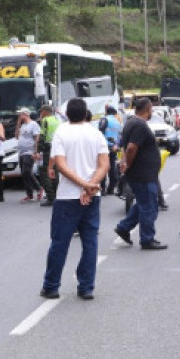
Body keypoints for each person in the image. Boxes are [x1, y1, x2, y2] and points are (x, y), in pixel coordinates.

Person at [40, 98, 110, 300]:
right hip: (91, 196)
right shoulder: (96, 133)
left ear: (67, 114)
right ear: (86, 113)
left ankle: (51, 286)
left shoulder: (62, 132)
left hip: (67, 197)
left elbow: (60, 165)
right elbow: (104, 165)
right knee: (90, 242)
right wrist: (90, 186)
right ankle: (86, 287)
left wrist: (83, 185)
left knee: (59, 242)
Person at [114, 98, 167, 250]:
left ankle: (124, 227)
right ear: (147, 109)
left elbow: (127, 147)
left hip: (142, 173)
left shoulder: (131, 122)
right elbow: (131, 147)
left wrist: (125, 163)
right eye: (151, 109)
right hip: (142, 174)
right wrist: (127, 164)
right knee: (149, 206)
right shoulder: (139, 125)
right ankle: (147, 239)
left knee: (143, 203)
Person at [15, 108, 43, 202]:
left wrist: (36, 151)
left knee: (26, 172)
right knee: (24, 174)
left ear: (25, 114)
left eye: (20, 114)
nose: (19, 116)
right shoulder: (22, 125)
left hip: (29, 151)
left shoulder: (33, 124)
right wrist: (18, 124)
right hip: (21, 152)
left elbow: (37, 138)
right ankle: (29, 194)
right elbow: (16, 136)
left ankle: (39, 188)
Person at [37, 104, 61, 206]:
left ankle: (51, 197)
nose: (41, 114)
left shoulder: (45, 121)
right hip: (58, 148)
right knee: (54, 171)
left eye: (41, 112)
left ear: (45, 111)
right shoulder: (57, 120)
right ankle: (56, 194)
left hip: (48, 149)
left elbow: (42, 136)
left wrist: (38, 151)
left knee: (44, 172)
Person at [98, 105, 122, 195]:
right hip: (114, 146)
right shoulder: (117, 122)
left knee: (103, 167)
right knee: (112, 167)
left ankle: (102, 189)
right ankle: (111, 188)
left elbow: (100, 130)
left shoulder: (105, 119)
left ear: (106, 112)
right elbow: (119, 135)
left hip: (104, 146)